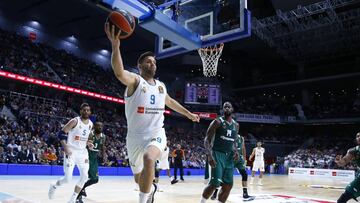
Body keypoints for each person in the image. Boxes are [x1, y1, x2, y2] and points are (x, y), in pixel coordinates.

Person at [105, 23, 200, 203]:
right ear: (140, 65)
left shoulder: (161, 86)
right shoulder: (135, 81)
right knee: (139, 179)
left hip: (156, 134)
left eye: (154, 62)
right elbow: (119, 73)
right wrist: (116, 46)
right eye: (148, 61)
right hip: (134, 138)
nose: (152, 64)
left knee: (150, 159)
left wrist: (188, 114)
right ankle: (150, 190)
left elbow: (171, 102)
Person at [48, 103, 94, 203]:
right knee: (68, 179)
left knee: (85, 176)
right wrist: (66, 148)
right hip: (71, 152)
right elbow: (61, 134)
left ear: (90, 112)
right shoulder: (75, 121)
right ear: (81, 111)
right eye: (84, 110)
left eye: (88, 110)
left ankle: (72, 199)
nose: (86, 112)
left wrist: (89, 143)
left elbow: (84, 139)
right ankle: (54, 185)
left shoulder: (91, 124)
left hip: (83, 153)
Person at [200, 102, 239, 203]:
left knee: (228, 185)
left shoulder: (236, 125)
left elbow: (234, 141)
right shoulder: (217, 122)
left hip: (229, 157)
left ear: (232, 109)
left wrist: (235, 151)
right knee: (215, 184)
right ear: (222, 110)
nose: (226, 108)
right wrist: (209, 155)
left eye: (228, 106)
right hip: (217, 154)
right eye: (224, 107)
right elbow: (206, 140)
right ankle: (202, 201)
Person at [76, 122, 106, 203]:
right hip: (86, 156)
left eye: (101, 126)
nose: (100, 127)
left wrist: (104, 156)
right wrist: (88, 144)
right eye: (98, 126)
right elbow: (83, 143)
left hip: (94, 158)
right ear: (94, 127)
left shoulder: (103, 136)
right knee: (85, 177)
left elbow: (103, 146)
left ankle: (81, 189)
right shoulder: (90, 134)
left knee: (95, 179)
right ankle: (78, 195)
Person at [335, 132, 360, 203]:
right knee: (342, 199)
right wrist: (339, 162)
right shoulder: (353, 151)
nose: (359, 137)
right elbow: (343, 162)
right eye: (357, 136)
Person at [234, 134, 254, 200]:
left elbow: (243, 148)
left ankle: (245, 193)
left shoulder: (241, 138)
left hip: (239, 159)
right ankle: (216, 192)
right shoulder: (229, 135)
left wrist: (245, 159)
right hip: (230, 158)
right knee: (224, 175)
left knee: (244, 175)